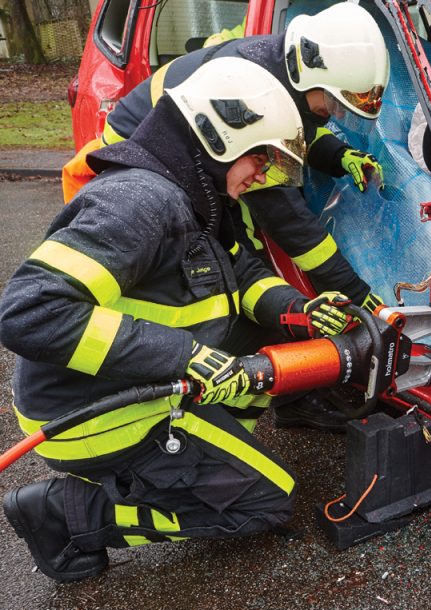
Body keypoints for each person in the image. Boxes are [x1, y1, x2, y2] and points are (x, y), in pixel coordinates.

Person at [0, 57, 353, 583]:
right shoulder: (139, 203)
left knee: (265, 338)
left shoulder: (195, 195)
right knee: (266, 501)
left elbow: (242, 272)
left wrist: (298, 310)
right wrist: (186, 356)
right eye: (260, 157)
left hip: (133, 383)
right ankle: (66, 515)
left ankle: (202, 459)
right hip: (90, 413)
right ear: (220, 139)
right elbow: (30, 311)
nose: (263, 174)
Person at [68, 2, 394, 431]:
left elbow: (299, 133)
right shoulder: (253, 90)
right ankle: (247, 391)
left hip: (196, 156)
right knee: (224, 271)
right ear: (311, 74)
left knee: (242, 266)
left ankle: (258, 395)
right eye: (334, 101)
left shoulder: (284, 71)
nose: (335, 113)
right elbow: (290, 222)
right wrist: (355, 291)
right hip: (145, 152)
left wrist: (339, 156)